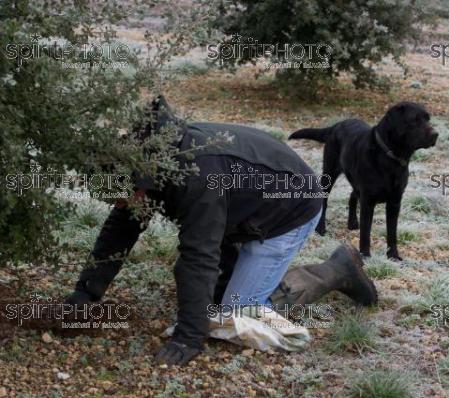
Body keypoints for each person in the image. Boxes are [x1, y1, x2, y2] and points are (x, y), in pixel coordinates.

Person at [65, 96, 378, 366]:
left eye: (122, 197)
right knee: (213, 297)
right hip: (240, 208)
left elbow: (199, 255)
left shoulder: (193, 175)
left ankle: (337, 270)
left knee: (238, 313)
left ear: (138, 183)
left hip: (291, 207)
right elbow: (121, 227)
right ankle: (241, 281)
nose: (119, 205)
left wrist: (189, 337)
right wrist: (85, 294)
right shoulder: (147, 161)